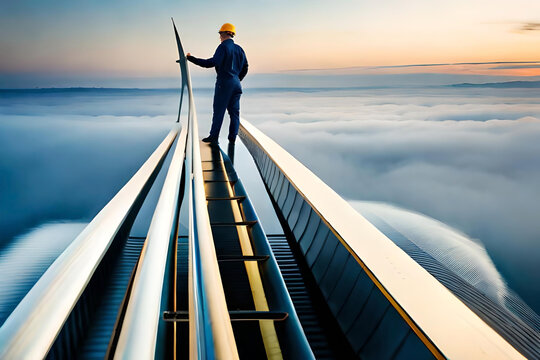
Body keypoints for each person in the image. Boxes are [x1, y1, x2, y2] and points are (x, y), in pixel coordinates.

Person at [186, 23, 248, 144]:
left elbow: (211, 63)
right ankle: (232, 138)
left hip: (224, 83)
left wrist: (191, 58)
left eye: (220, 33)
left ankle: (214, 137)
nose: (219, 36)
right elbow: (245, 67)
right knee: (234, 113)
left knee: (219, 111)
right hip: (236, 84)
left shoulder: (223, 47)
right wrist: (237, 79)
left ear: (225, 33)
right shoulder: (240, 49)